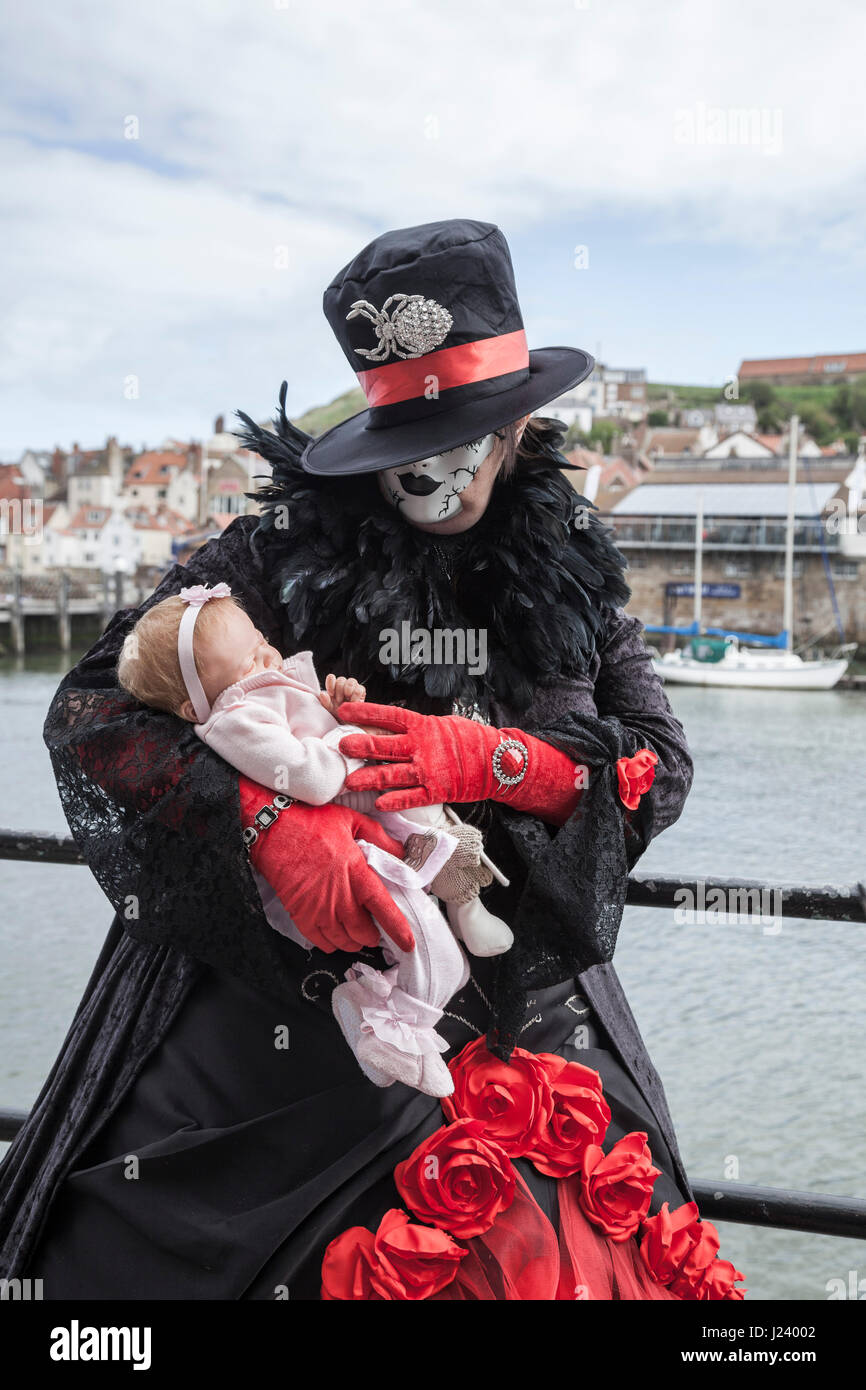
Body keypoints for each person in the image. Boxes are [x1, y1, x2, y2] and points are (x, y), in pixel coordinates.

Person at [0, 217, 745, 1300]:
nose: (443, 477)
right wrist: (268, 822)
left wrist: (500, 763)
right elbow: (96, 706)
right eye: (416, 451)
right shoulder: (267, 553)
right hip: (292, 1002)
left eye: (474, 435)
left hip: (529, 996)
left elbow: (655, 764)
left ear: (520, 421)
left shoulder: (577, 567)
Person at [114, 580, 512, 1096]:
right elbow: (314, 777)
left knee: (433, 840)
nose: (270, 658)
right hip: (342, 844)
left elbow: (309, 734)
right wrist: (354, 739)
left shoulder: (262, 689)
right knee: (427, 944)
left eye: (262, 641)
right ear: (196, 707)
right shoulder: (234, 717)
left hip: (364, 819)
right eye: (251, 663)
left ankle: (457, 913)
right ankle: (395, 1030)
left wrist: (337, 706)